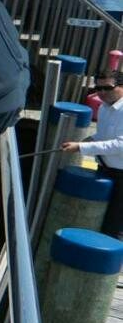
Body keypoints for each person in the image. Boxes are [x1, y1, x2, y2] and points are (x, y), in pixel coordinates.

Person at [63, 76, 123, 236]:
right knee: (99, 218)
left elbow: (120, 145)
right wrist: (88, 140)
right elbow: (104, 135)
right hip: (105, 169)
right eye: (98, 88)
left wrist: (82, 147)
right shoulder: (104, 108)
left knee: (114, 225)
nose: (102, 92)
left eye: (108, 88)